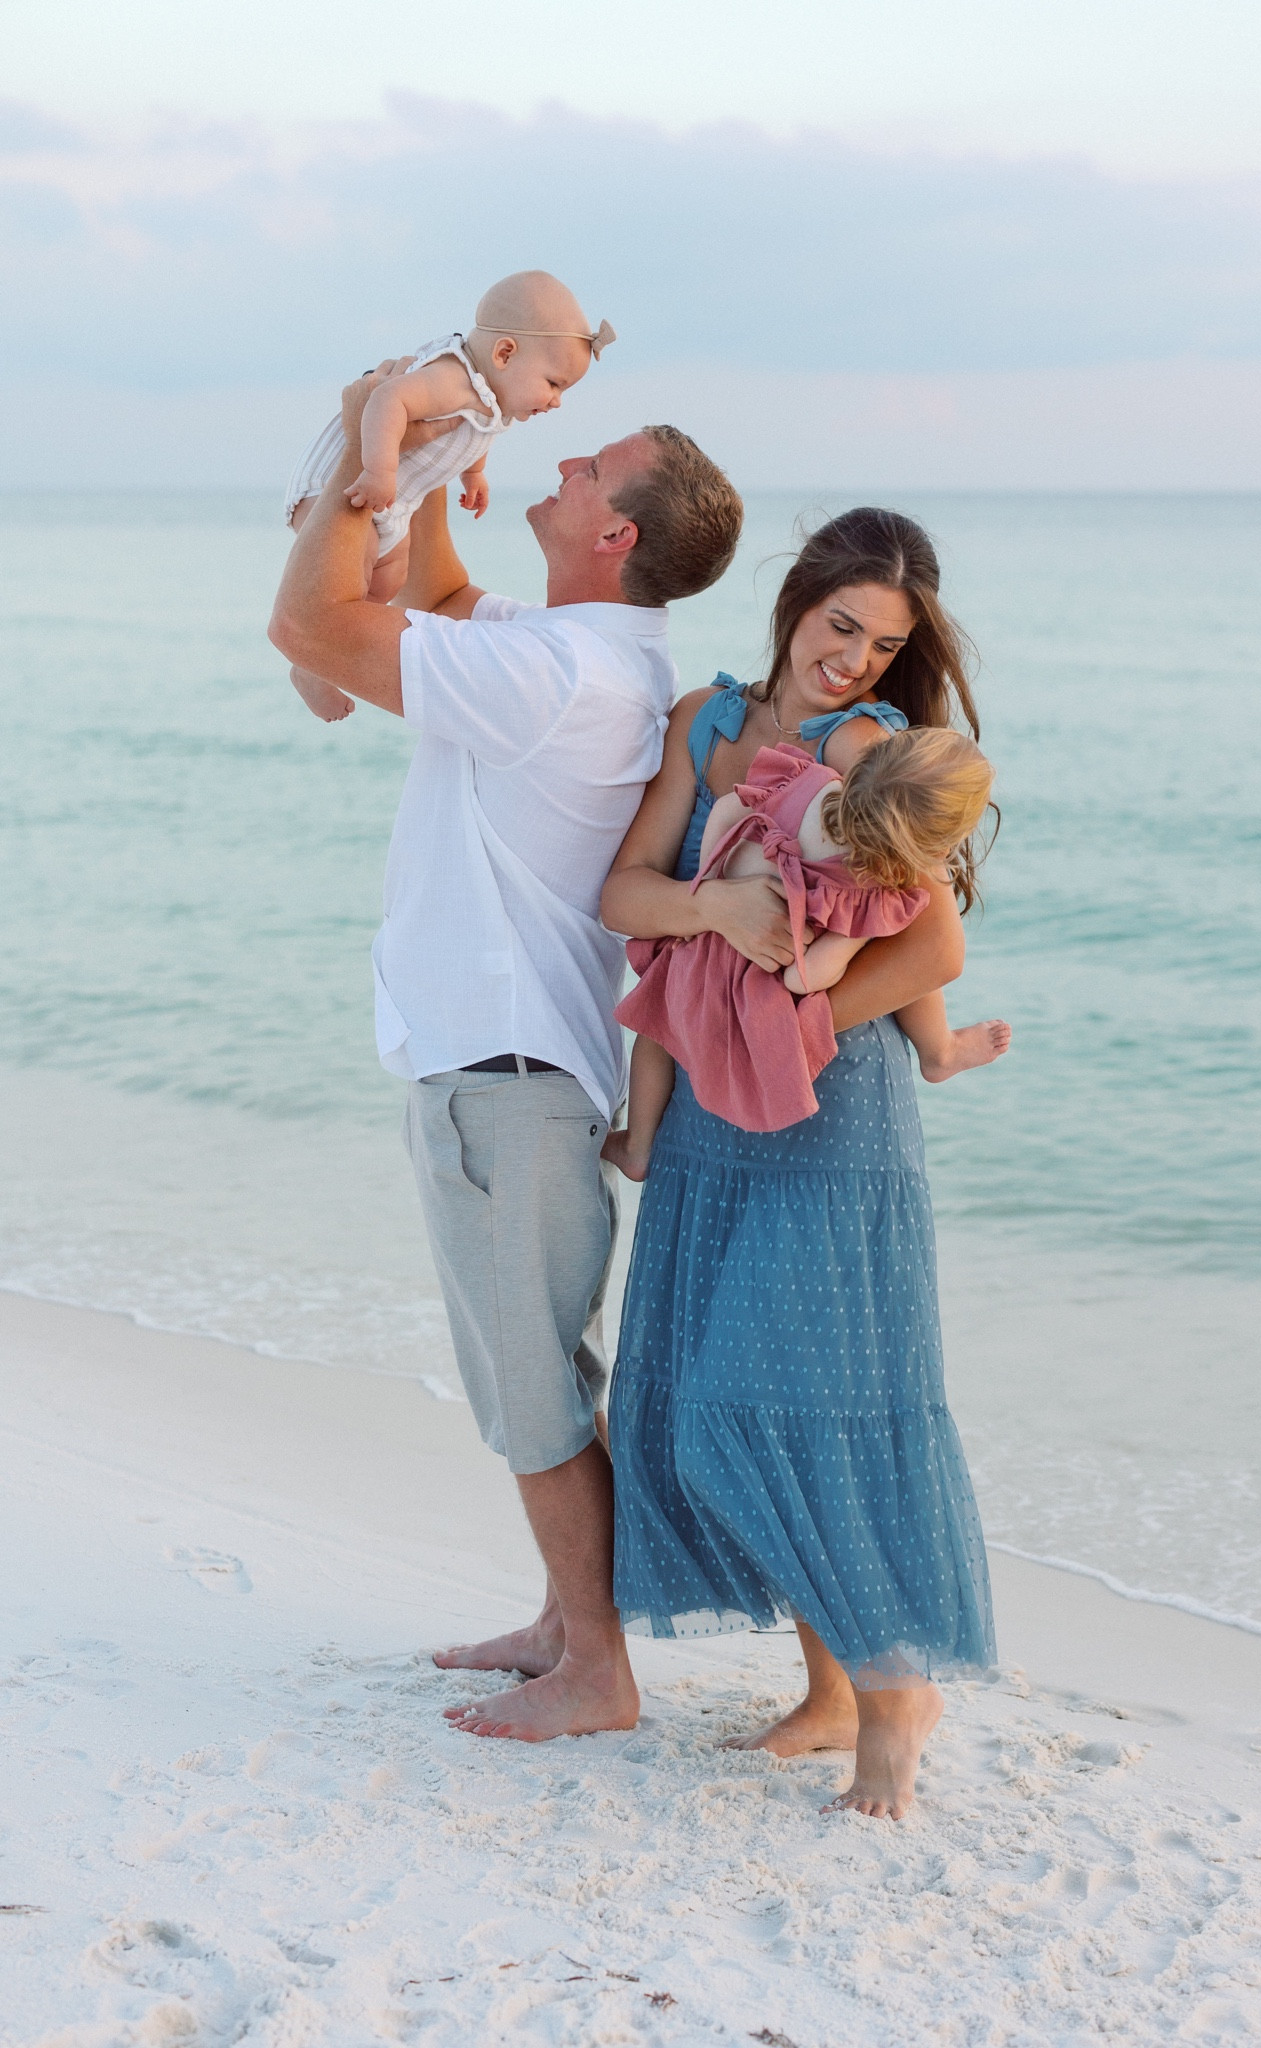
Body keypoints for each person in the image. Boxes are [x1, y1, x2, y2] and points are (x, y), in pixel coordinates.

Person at [269, 371, 742, 1743]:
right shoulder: (584, 653)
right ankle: (563, 1620)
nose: (567, 461)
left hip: (507, 1074)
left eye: (592, 466)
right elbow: (450, 606)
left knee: (528, 1387)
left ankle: (596, 1667)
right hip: (514, 1069)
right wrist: (434, 467)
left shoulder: (557, 675)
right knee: (535, 1370)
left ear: (616, 536)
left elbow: (312, 621)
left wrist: (367, 475)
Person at [599, 507, 998, 1820]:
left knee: (787, 1399)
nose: (853, 661)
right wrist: (713, 912)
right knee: (729, 1396)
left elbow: (932, 954)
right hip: (715, 1105)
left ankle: (894, 1696)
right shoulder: (707, 725)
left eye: (882, 645)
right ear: (796, 600)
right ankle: (828, 1694)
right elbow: (626, 897)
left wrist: (798, 1020)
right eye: (841, 627)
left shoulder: (869, 752)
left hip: (830, 1116)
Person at [604, 725, 1005, 1174]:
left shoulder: (809, 782)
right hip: (743, 987)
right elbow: (802, 978)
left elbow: (727, 807)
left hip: (697, 952)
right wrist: (866, 934)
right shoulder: (866, 890)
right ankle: (941, 1050)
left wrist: (710, 886)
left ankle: (638, 1146)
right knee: (908, 946)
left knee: (657, 1031)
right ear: (935, 846)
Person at [283, 270, 613, 723]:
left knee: (390, 580)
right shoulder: (452, 378)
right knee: (347, 584)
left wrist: (473, 473)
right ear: (504, 352)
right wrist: (376, 468)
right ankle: (311, 665)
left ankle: (325, 655)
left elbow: (479, 434)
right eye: (554, 384)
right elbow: (384, 402)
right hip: (344, 482)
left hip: (395, 501)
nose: (556, 401)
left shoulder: (496, 397)